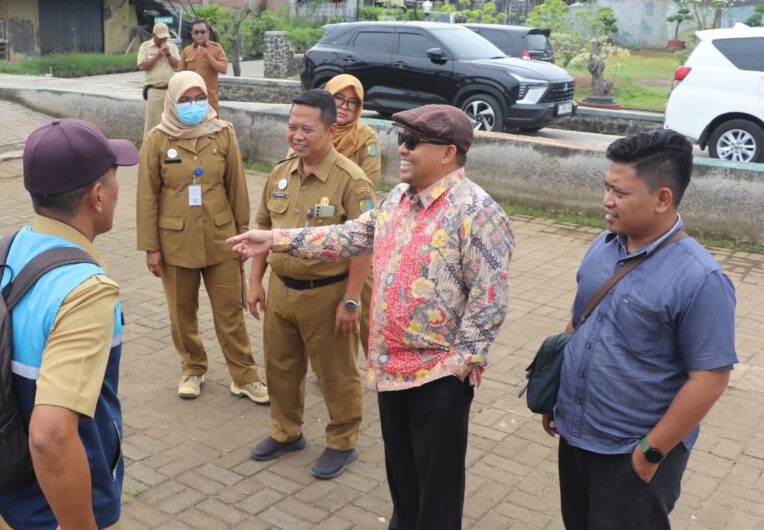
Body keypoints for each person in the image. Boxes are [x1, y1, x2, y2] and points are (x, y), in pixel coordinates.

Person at [230, 104, 515, 526]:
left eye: (413, 142)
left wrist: (458, 367)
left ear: (448, 153)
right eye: (401, 139)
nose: (402, 148)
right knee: (402, 480)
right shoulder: (399, 199)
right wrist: (275, 238)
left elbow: (488, 303)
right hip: (390, 370)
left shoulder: (477, 211)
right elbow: (350, 235)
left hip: (438, 377)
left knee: (437, 490)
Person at [0, 118, 138, 529]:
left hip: (8, 493)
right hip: (59, 510)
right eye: (115, 179)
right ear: (98, 196)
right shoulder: (87, 290)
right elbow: (50, 436)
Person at [545, 129, 737, 530]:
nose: (607, 201)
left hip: (632, 454)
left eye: (620, 192)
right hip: (577, 436)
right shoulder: (604, 245)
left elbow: (710, 379)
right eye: (606, 187)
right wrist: (556, 393)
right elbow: (579, 320)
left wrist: (649, 453)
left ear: (662, 198)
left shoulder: (700, 279)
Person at [243, 89, 375, 480]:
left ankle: (342, 441)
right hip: (282, 289)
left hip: (328, 293)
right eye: (291, 127)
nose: (296, 135)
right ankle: (286, 431)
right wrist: (255, 282)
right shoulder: (281, 172)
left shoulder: (352, 181)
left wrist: (351, 301)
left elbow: (364, 244)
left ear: (331, 130)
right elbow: (263, 227)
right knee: (280, 367)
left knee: (336, 372)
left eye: (306, 128)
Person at [137, 70, 267, 403]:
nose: (194, 105)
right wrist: (151, 247)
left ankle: (245, 376)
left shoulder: (223, 133)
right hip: (175, 242)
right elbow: (147, 196)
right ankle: (193, 368)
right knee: (182, 314)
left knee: (230, 312)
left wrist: (243, 234)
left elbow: (236, 186)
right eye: (185, 99)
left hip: (221, 238)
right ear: (172, 101)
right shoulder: (157, 139)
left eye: (199, 98)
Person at [287, 74, 381, 355]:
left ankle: (376, 360)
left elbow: (369, 183)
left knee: (363, 296)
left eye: (353, 103)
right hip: (313, 227)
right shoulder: (304, 133)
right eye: (339, 98)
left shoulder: (365, 137)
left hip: (352, 227)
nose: (344, 107)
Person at [137, 22, 180, 140]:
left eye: (165, 37)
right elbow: (142, 67)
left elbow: (179, 65)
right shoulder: (145, 47)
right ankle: (149, 149)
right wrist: (158, 56)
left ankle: (169, 148)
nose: (163, 40)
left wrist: (168, 54)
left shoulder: (172, 47)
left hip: (170, 90)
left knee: (172, 121)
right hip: (154, 90)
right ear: (153, 35)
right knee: (152, 123)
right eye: (160, 37)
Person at [178, 20, 228, 115]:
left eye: (202, 31)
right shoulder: (187, 51)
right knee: (193, 128)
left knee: (212, 128)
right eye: (196, 32)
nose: (199, 34)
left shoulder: (216, 48)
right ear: (192, 34)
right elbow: (181, 75)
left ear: (208, 33)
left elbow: (224, 69)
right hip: (191, 102)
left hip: (209, 101)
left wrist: (207, 55)